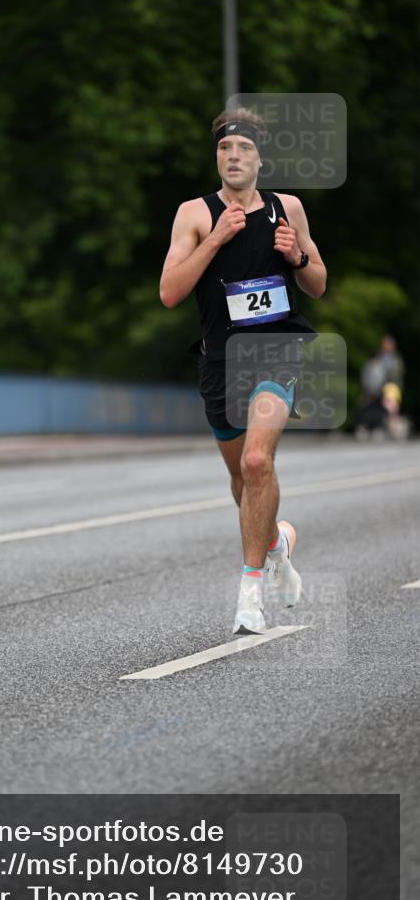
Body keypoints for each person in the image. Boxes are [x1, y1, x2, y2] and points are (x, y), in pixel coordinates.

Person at [159, 108, 327, 635]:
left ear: (259, 157)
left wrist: (297, 256)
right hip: (219, 360)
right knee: (241, 478)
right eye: (225, 149)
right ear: (217, 157)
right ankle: (276, 542)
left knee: (258, 461)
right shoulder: (195, 214)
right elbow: (169, 292)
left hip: (276, 351)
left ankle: (250, 592)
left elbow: (318, 282)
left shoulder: (287, 207)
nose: (233, 157)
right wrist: (216, 238)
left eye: (244, 149)